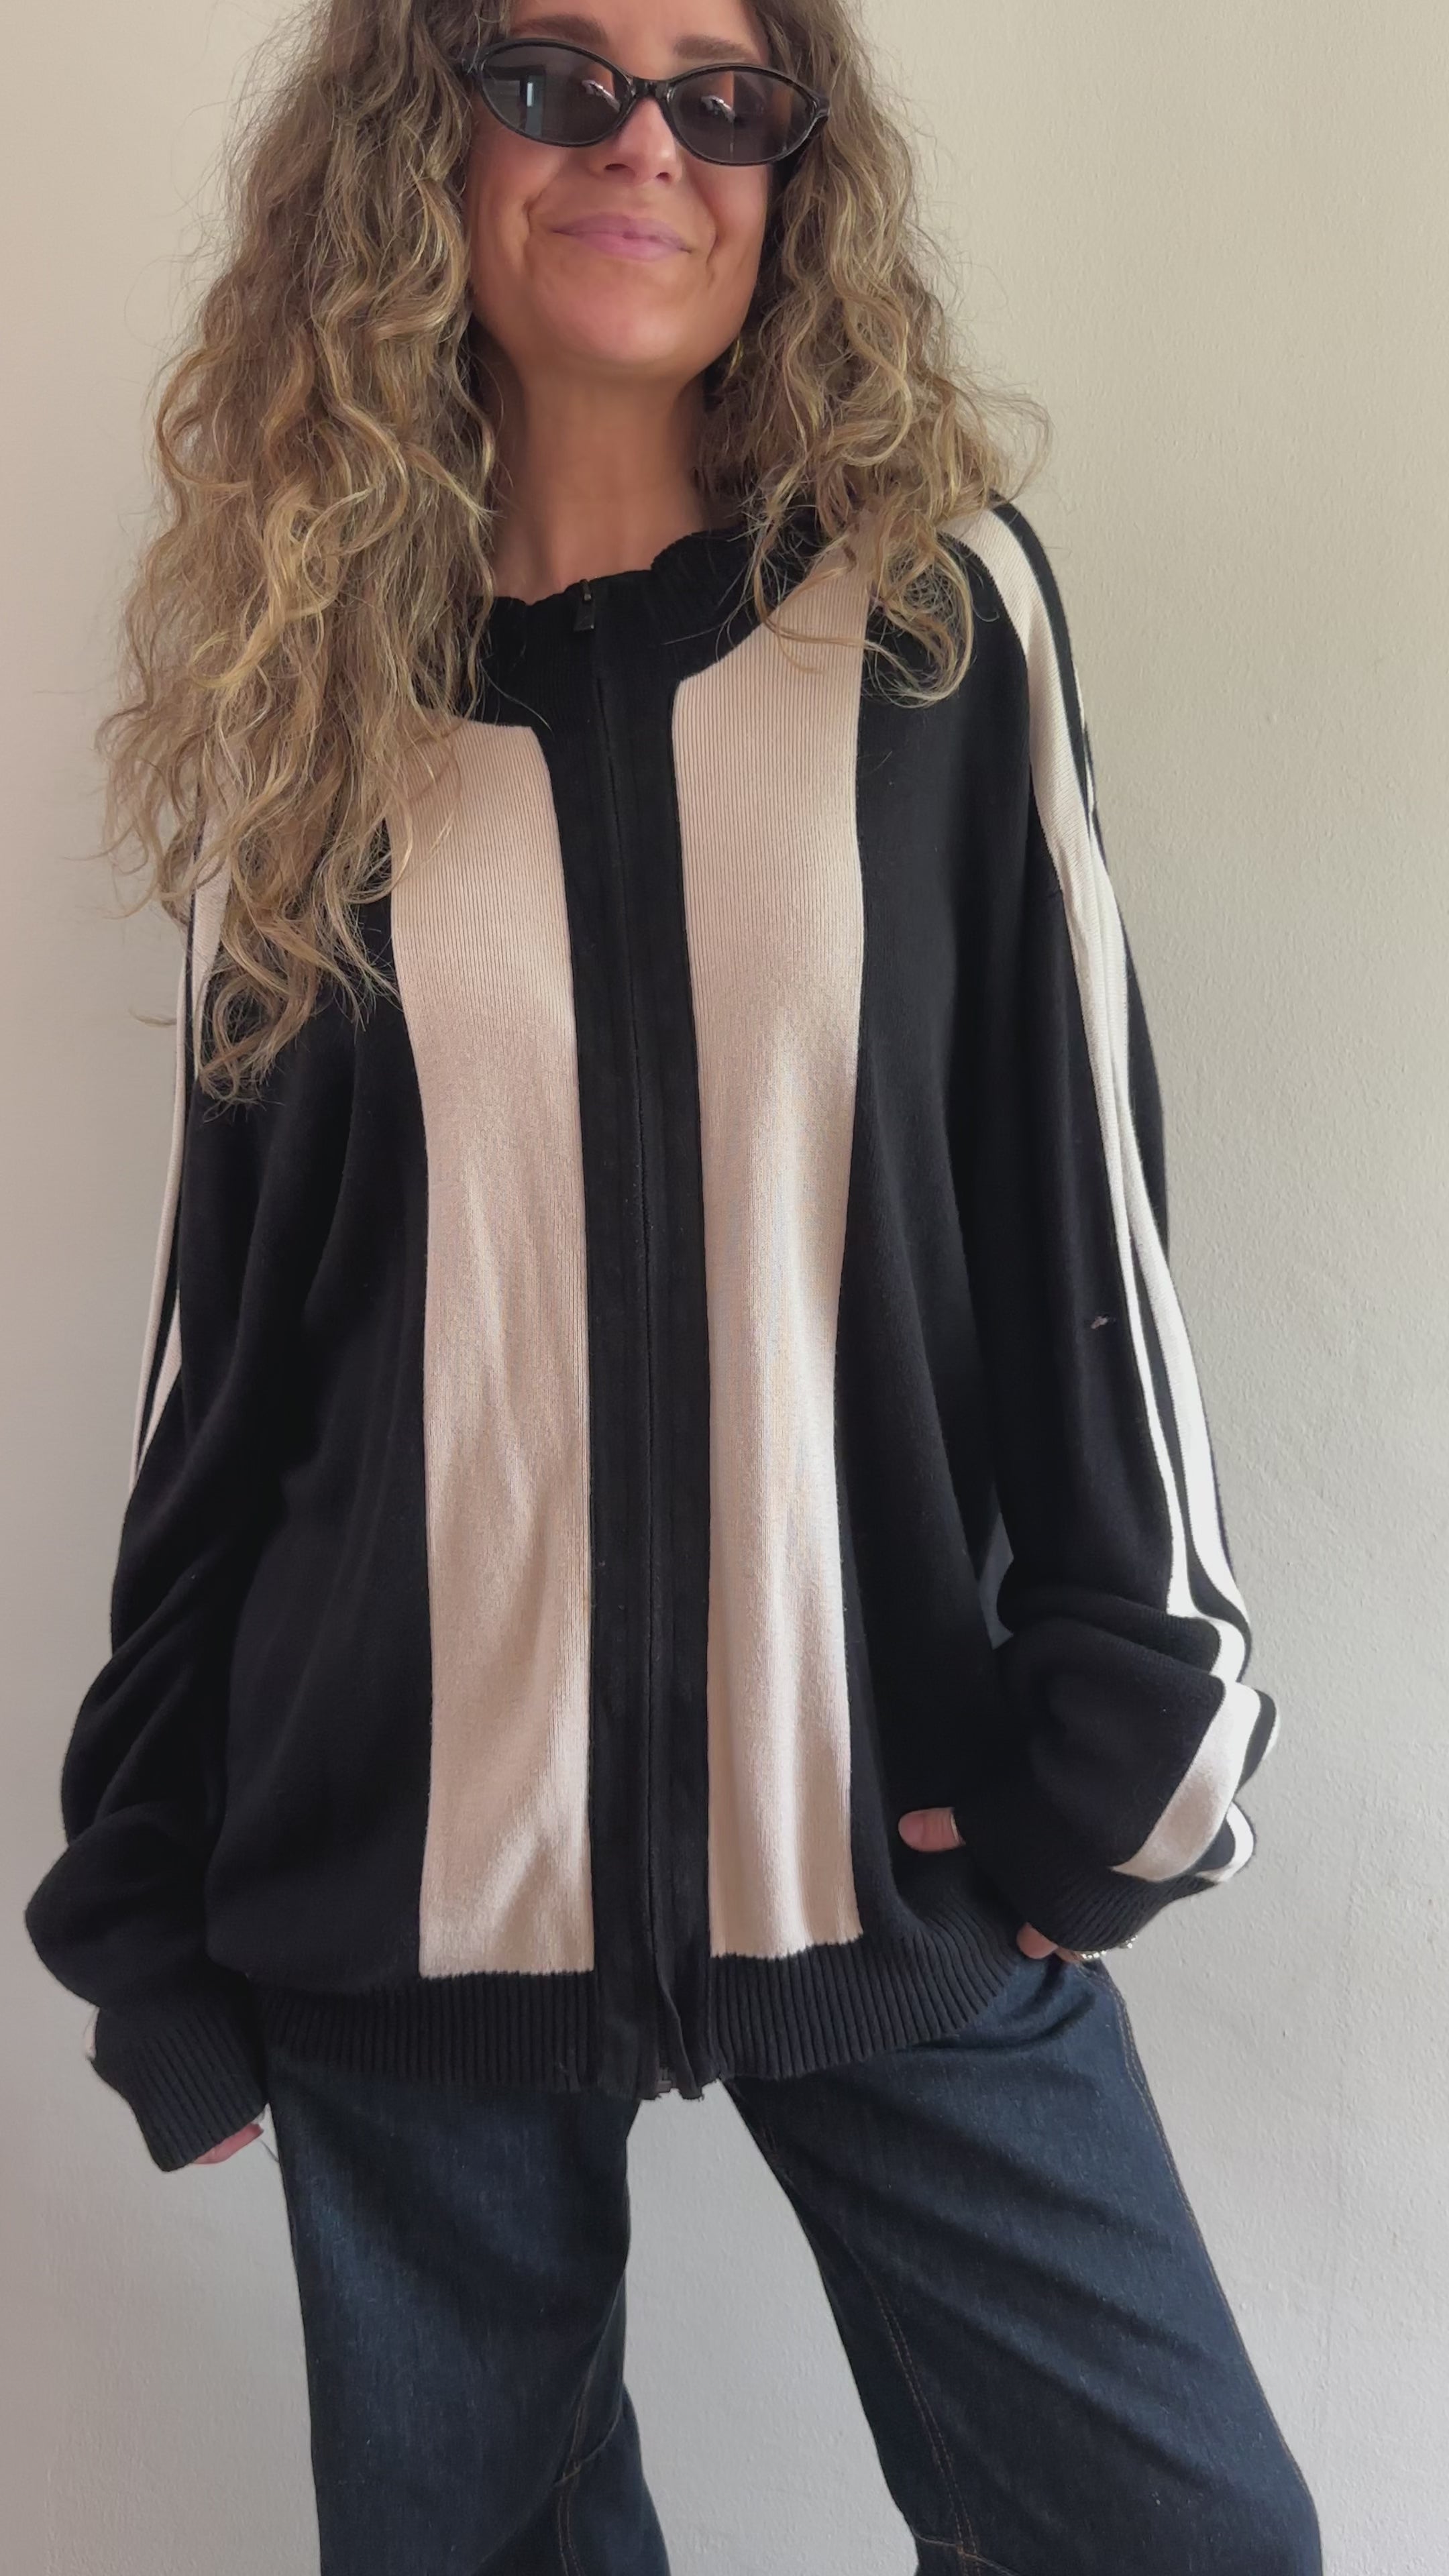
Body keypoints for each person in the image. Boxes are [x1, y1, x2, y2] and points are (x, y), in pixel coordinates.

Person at [24, 0, 1323, 2567]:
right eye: (557, 75)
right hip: (401, 1868)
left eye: (725, 96)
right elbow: (230, 1337)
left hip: (897, 1825)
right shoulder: (311, 694)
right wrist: (144, 1880)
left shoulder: (931, 623)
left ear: (789, 173)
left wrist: (1128, 1744)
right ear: (421, 139)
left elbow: (1084, 1205)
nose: (646, 144)